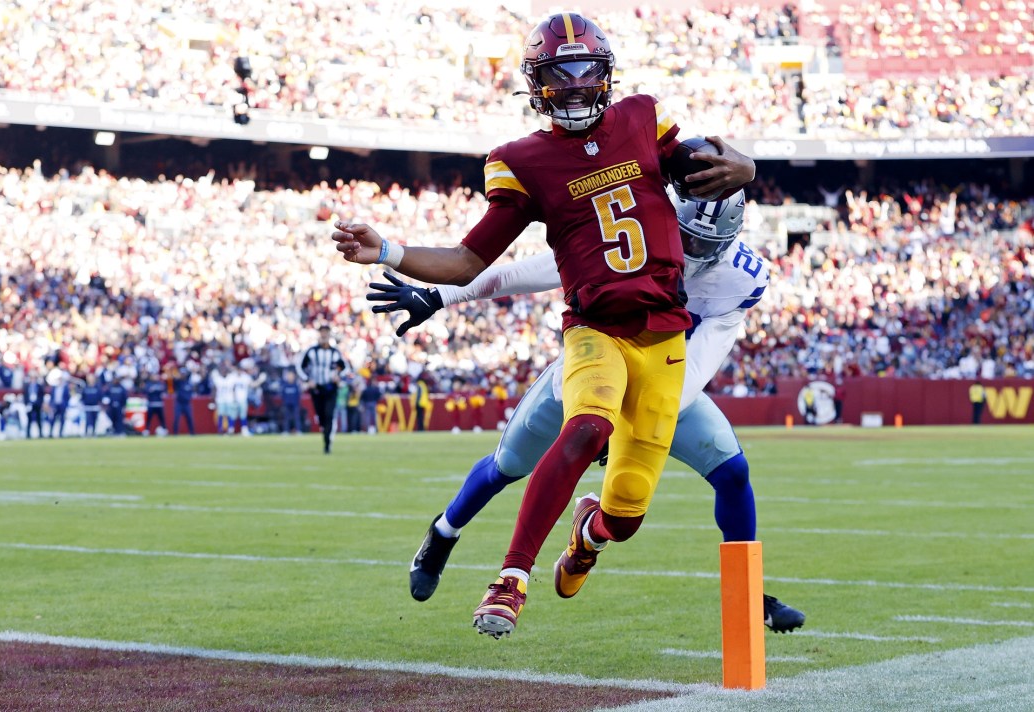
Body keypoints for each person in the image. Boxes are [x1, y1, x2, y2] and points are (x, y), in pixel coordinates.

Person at [333, 11, 755, 638]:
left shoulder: (642, 118)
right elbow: (474, 260)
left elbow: (715, 164)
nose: (578, 84)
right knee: (580, 429)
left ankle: (589, 534)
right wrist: (391, 250)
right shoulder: (523, 160)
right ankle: (509, 577)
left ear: (607, 74)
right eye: (562, 73)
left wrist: (745, 167)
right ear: (538, 82)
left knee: (629, 509)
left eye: (588, 70)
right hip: (595, 331)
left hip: (666, 337)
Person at [373, 189, 804, 634]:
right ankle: (444, 533)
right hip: (591, 370)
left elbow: (696, 369)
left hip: (667, 381)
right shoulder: (631, 237)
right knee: (508, 465)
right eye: (686, 237)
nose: (693, 252)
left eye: (706, 244)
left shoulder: (739, 276)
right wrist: (441, 296)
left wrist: (627, 421)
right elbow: (530, 272)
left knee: (727, 474)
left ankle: (744, 590)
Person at [297, 325, 346, 454]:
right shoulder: (312, 351)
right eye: (322, 333)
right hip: (316, 388)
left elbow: (345, 368)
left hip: (330, 388)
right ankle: (326, 433)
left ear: (329, 335)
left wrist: (338, 375)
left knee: (329, 414)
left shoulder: (335, 352)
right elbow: (300, 367)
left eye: (326, 333)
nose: (324, 335)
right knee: (321, 415)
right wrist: (308, 380)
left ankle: (327, 443)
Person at [211, 361, 238, 435]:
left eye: (225, 370)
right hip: (220, 399)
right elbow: (214, 390)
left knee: (230, 414)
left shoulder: (231, 378)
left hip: (229, 399)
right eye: (223, 370)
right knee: (220, 415)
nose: (224, 371)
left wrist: (235, 399)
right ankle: (220, 430)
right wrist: (213, 400)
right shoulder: (218, 378)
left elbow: (234, 389)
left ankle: (231, 429)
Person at [173, 368, 197, 435]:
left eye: (183, 374)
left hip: (187, 403)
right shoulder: (178, 382)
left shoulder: (189, 382)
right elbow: (174, 381)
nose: (182, 375)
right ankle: (175, 433)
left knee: (190, 418)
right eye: (181, 374)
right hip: (179, 403)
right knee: (176, 418)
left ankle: (192, 433)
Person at [279, 368, 303, 434]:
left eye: (291, 376)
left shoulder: (296, 385)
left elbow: (299, 395)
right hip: (286, 404)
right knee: (286, 418)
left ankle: (298, 430)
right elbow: (282, 395)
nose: (290, 377)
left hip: (295, 404)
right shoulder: (285, 385)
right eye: (289, 376)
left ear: (294, 376)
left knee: (296, 418)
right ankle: (286, 431)